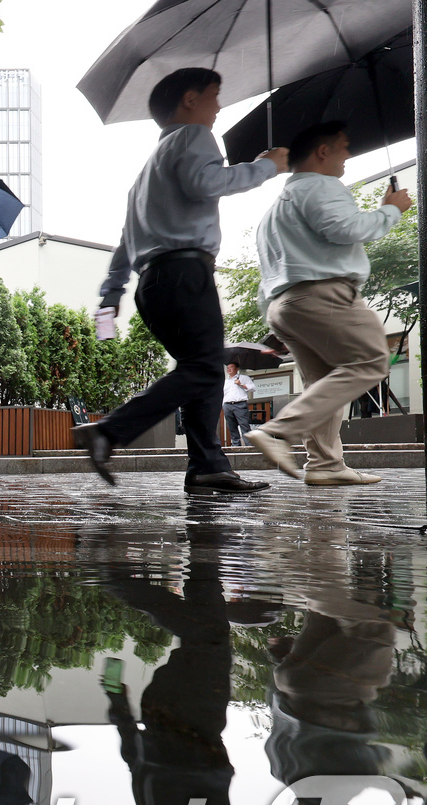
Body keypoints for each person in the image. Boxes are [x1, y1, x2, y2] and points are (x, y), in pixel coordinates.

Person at [73, 68, 288, 493]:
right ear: (189, 100)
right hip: (186, 274)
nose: (219, 105)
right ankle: (110, 431)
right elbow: (206, 181)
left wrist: (111, 295)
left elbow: (123, 246)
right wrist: (266, 166)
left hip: (152, 285)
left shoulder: (142, 179)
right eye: (214, 95)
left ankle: (208, 464)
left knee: (201, 372)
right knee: (205, 368)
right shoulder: (193, 137)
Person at [245, 121, 413, 486]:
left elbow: (269, 274)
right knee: (370, 360)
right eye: (344, 146)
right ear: (323, 151)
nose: (348, 155)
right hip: (324, 294)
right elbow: (346, 228)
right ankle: (277, 432)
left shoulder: (274, 212)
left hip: (285, 305)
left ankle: (325, 465)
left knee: (322, 382)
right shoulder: (321, 186)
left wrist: (276, 327)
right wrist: (391, 209)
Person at [221, 362, 255, 445]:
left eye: (231, 367)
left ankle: (249, 444)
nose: (229, 369)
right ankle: (235, 444)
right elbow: (223, 394)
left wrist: (241, 384)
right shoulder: (225, 381)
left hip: (240, 404)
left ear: (237, 369)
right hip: (227, 404)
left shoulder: (243, 378)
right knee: (231, 426)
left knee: (244, 425)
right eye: (228, 368)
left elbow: (253, 388)